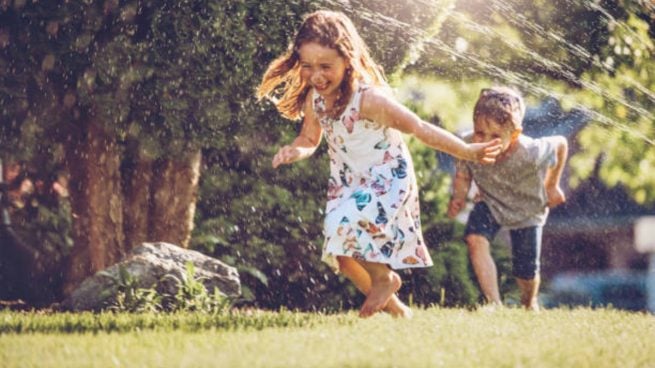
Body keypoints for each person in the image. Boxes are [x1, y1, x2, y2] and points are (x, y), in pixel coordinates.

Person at [257, 10, 502, 318]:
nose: (316, 75)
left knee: (340, 228)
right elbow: (309, 138)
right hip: (348, 183)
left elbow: (418, 127)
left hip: (386, 178)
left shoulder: (368, 99)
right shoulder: (315, 100)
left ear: (347, 60)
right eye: (307, 66)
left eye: (325, 66)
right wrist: (296, 150)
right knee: (342, 258)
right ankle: (399, 311)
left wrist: (466, 150)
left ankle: (385, 278)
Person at [447, 86, 568, 311]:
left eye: (495, 136)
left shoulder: (532, 151)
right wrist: (459, 197)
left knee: (525, 270)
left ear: (514, 135)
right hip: (490, 202)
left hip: (527, 209)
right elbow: (463, 174)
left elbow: (561, 143)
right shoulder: (468, 145)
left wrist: (552, 185)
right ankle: (494, 304)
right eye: (480, 133)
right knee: (475, 239)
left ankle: (529, 302)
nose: (484, 141)